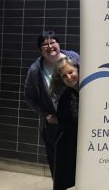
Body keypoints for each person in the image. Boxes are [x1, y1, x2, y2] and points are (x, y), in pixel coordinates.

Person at [24, 30, 80, 177]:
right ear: (40, 49)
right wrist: (46, 114)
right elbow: (29, 97)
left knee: (79, 163)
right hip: (55, 126)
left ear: (58, 43)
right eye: (45, 44)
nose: (50, 46)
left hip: (78, 123)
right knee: (59, 165)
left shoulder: (74, 57)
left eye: (52, 42)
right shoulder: (35, 70)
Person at [50, 57, 80, 190]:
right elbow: (66, 125)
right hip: (72, 146)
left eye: (71, 72)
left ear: (78, 70)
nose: (69, 77)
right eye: (64, 76)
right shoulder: (65, 98)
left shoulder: (95, 90)